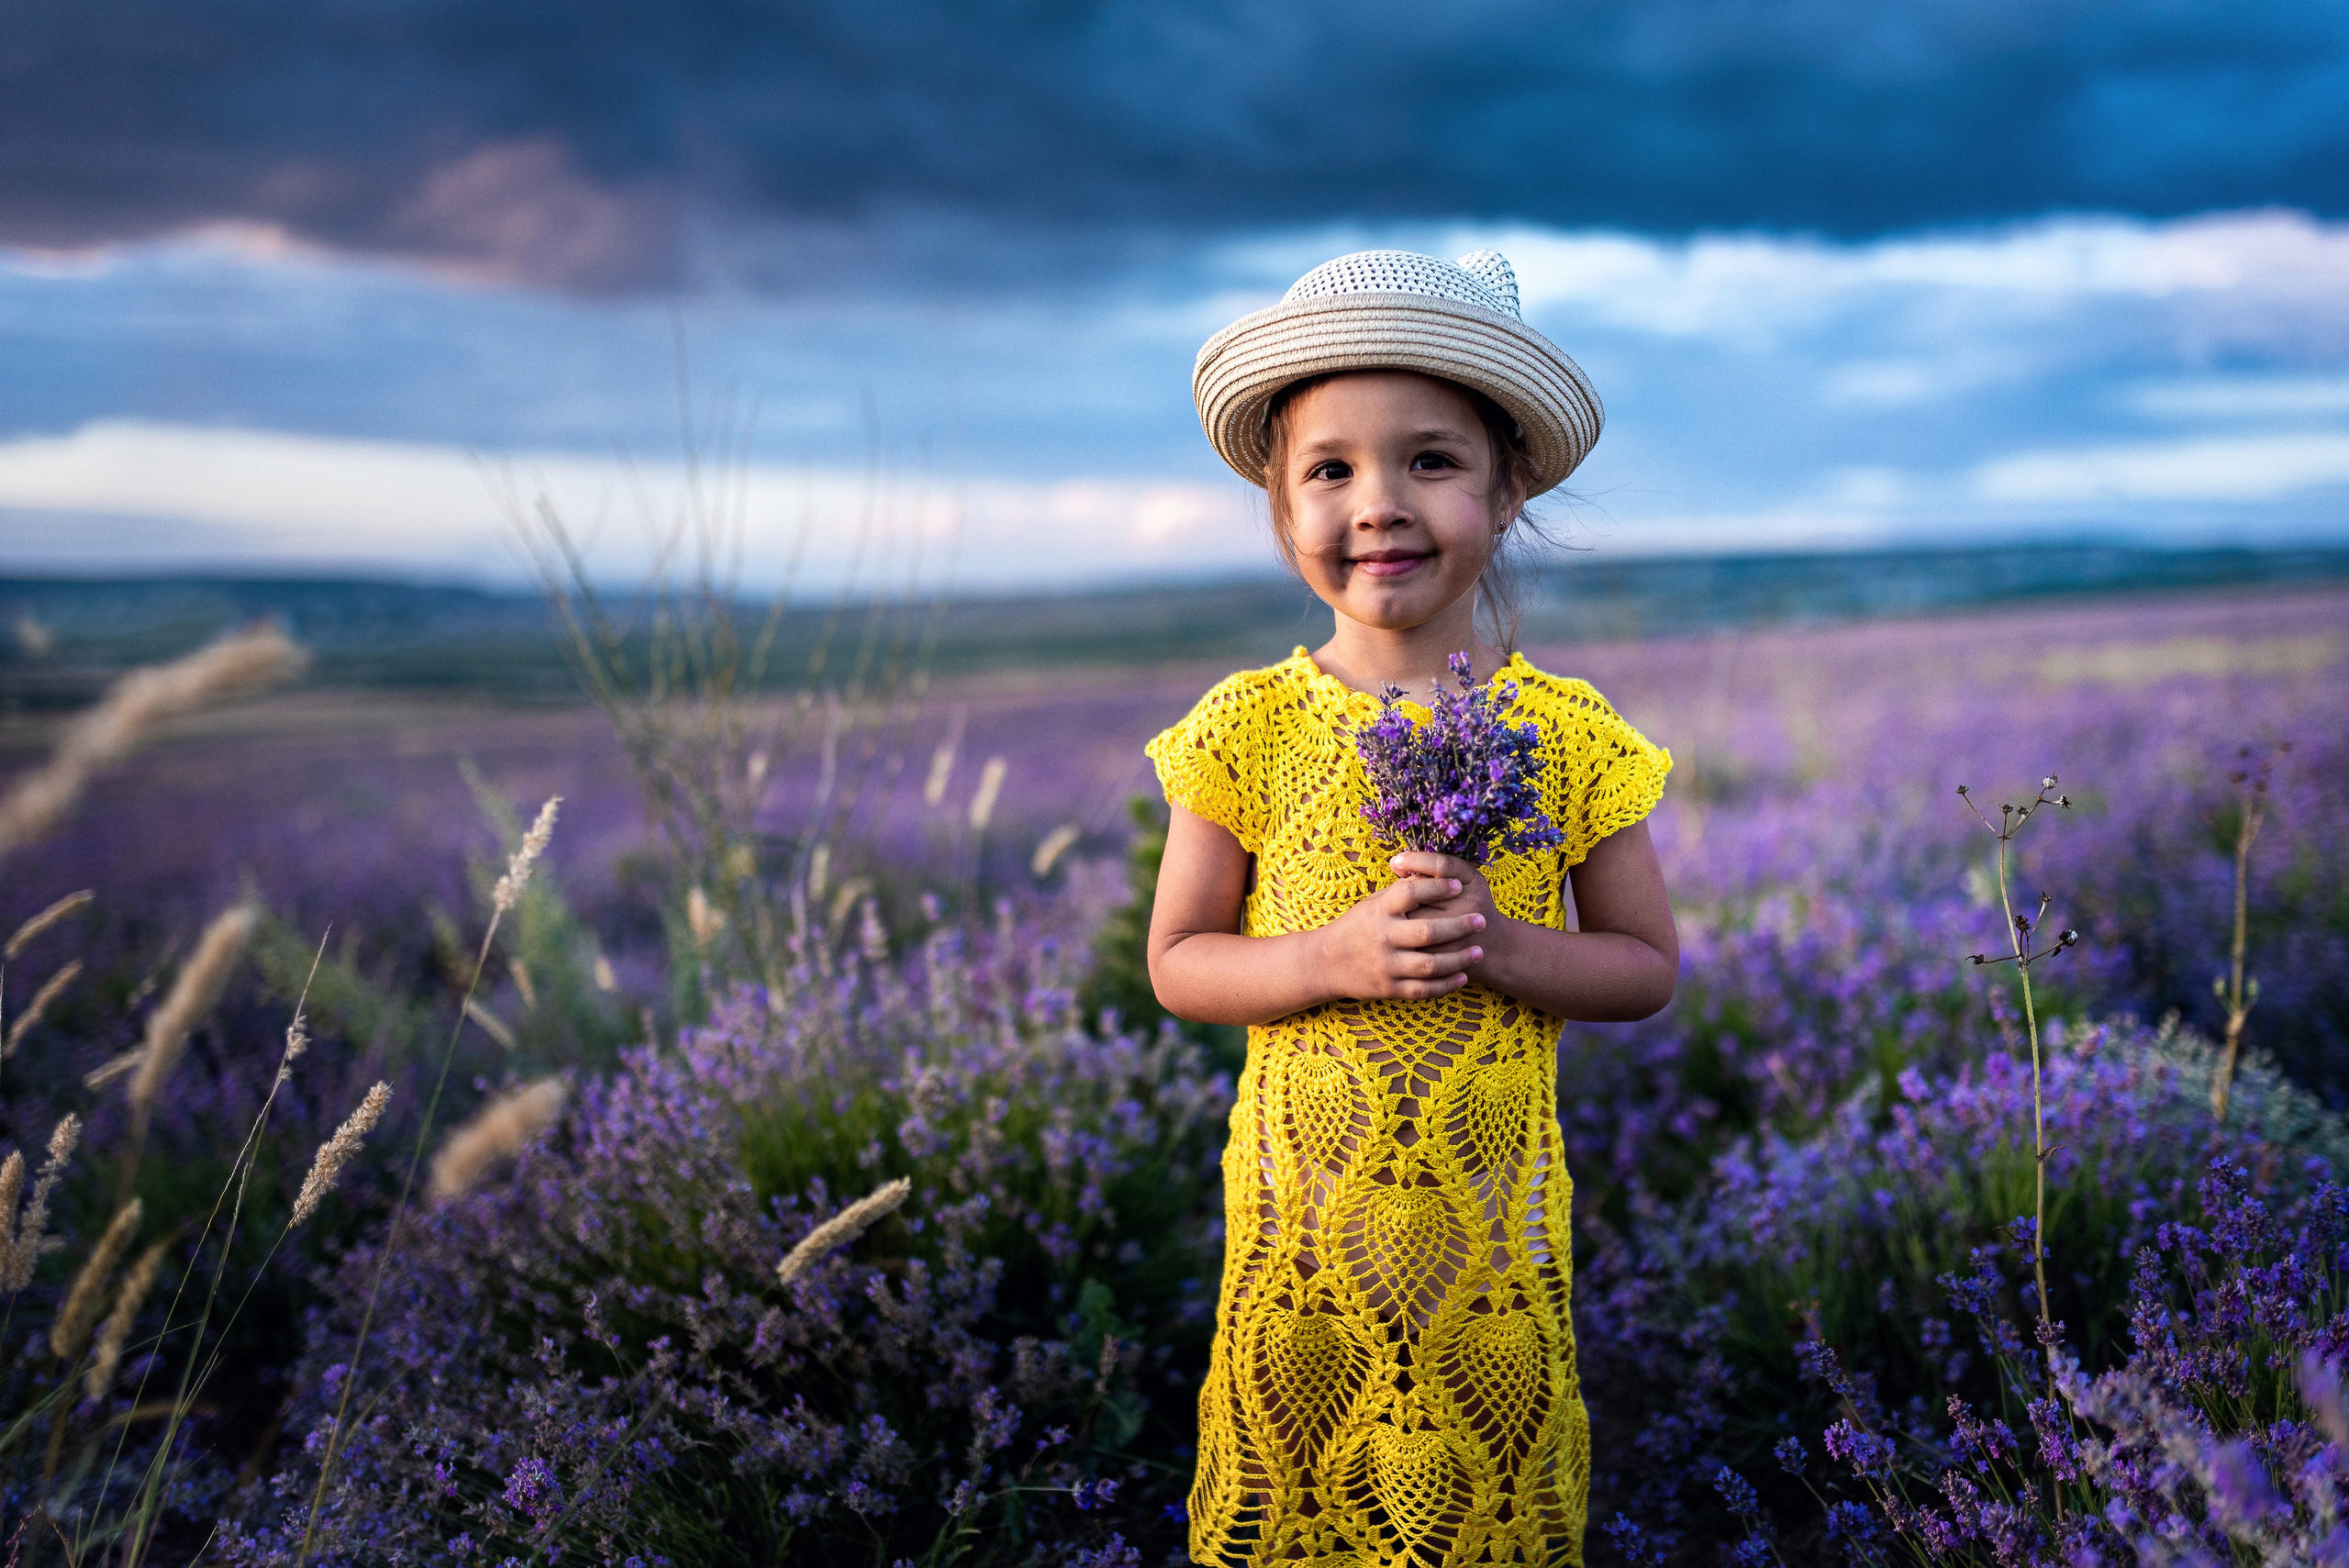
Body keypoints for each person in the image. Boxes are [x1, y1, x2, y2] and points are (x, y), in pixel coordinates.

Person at [1145, 249, 1679, 1567]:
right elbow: (1181, 962)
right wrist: (1329, 957)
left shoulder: (1565, 733)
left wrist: (1500, 944)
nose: (1378, 503)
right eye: (1330, 469)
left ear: (1506, 491)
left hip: (1487, 1259)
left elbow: (1642, 965)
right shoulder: (1248, 727)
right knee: (1298, 1515)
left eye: (1431, 461)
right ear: (1281, 505)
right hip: (1306, 1261)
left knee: (1482, 1522)